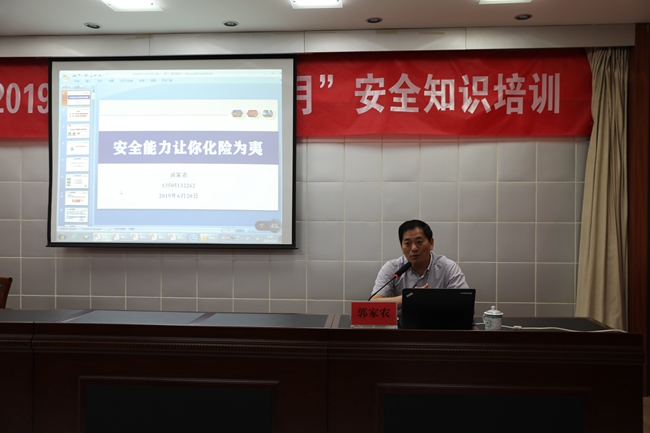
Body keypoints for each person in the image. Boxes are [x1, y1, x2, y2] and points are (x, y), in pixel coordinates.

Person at [370, 219, 469, 314]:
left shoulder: (448, 267)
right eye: (407, 243)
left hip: (439, 322)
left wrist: (432, 299)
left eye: (419, 242)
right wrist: (409, 297)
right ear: (401, 247)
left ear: (431, 243)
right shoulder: (392, 268)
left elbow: (467, 306)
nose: (414, 248)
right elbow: (373, 303)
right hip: (402, 323)